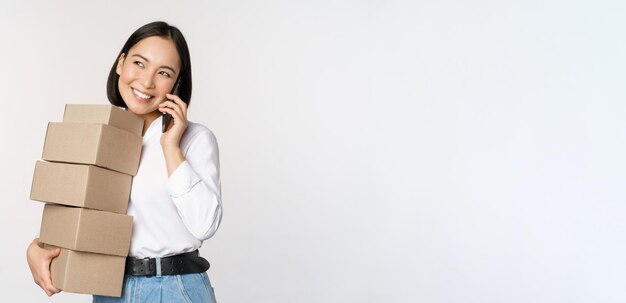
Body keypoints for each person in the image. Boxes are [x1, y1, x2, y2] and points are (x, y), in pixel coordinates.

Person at [26, 21, 223, 302]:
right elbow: (79, 210)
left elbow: (205, 225)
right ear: (121, 63)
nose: (146, 81)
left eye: (163, 72)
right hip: (110, 288)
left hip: (173, 288)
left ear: (176, 83)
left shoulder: (195, 139)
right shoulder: (99, 132)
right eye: (139, 63)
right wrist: (38, 245)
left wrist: (170, 147)